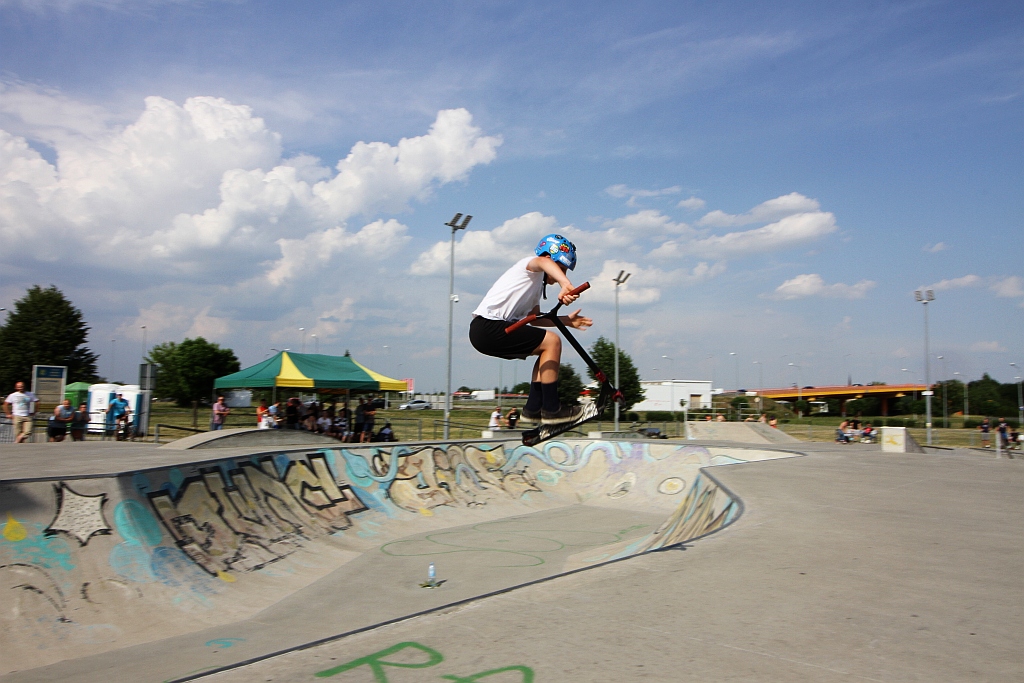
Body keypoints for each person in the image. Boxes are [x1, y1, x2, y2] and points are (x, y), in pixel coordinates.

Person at [468, 234, 591, 425]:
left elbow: (535, 320)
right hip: (488, 326)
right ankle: (552, 410)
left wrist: (567, 320)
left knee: (545, 348)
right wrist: (565, 284)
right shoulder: (529, 267)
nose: (564, 274)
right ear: (551, 259)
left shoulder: (534, 290)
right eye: (562, 269)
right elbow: (542, 262)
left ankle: (533, 409)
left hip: (486, 332)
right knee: (553, 341)